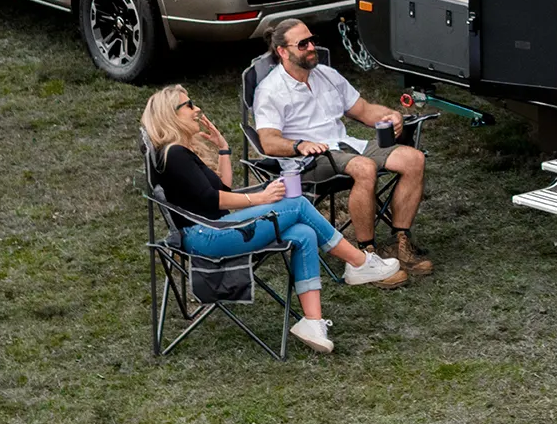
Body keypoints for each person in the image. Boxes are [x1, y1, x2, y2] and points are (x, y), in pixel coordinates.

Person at [142, 85, 407, 354]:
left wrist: (223, 148)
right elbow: (214, 200)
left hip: (215, 231)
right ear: (169, 115)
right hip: (207, 237)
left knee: (304, 233)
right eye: (188, 106)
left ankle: (312, 322)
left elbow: (223, 189)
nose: (197, 109)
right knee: (298, 204)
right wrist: (261, 198)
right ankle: (359, 262)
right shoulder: (173, 154)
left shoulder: (179, 153)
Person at [254, 18, 433, 277]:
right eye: (303, 44)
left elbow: (363, 110)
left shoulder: (326, 75)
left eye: (312, 40)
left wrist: (390, 115)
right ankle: (365, 258)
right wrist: (299, 144)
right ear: (282, 51)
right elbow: (268, 140)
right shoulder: (270, 90)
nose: (311, 47)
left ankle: (399, 243)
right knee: (364, 168)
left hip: (346, 146)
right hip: (310, 161)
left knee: (413, 159)